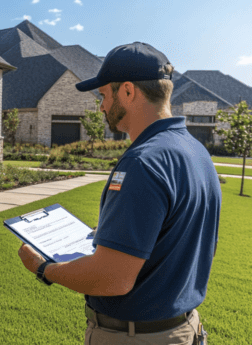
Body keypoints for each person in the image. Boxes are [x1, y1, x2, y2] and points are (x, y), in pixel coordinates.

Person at [17, 42, 221, 344]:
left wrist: (44, 268)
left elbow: (112, 277)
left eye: (103, 95)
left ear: (127, 91)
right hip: (183, 328)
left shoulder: (143, 162)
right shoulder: (196, 152)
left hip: (138, 337)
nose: (100, 106)